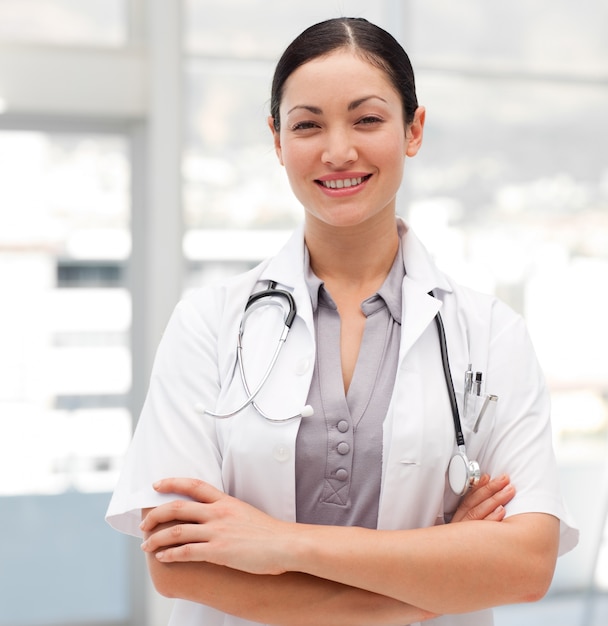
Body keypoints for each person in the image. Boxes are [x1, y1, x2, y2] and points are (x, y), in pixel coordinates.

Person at [106, 16, 578, 626]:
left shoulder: (492, 335)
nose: (338, 151)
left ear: (414, 129)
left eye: (367, 119)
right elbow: (178, 565)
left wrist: (280, 543)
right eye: (307, 124)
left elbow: (526, 565)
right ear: (276, 140)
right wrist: (441, 571)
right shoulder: (206, 325)